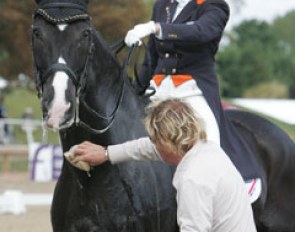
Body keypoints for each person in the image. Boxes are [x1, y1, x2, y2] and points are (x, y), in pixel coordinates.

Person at [124, 0, 262, 188]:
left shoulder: (214, 6)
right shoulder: (163, 5)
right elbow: (152, 57)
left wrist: (156, 28)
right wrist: (134, 90)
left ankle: (221, 190)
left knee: (209, 142)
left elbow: (200, 31)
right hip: (161, 88)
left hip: (193, 89)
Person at [69, 98, 257, 231]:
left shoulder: (193, 179)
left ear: (168, 141)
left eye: (155, 139)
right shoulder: (206, 148)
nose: (152, 143)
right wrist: (106, 153)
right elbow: (147, 148)